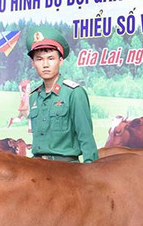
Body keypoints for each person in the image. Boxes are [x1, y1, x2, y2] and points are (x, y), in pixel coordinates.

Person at [27, 28, 98, 163]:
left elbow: (86, 138)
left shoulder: (74, 93)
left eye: (51, 58)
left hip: (65, 171)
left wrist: (92, 173)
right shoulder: (34, 97)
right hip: (37, 168)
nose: (45, 64)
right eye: (39, 59)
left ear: (61, 61)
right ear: (33, 63)